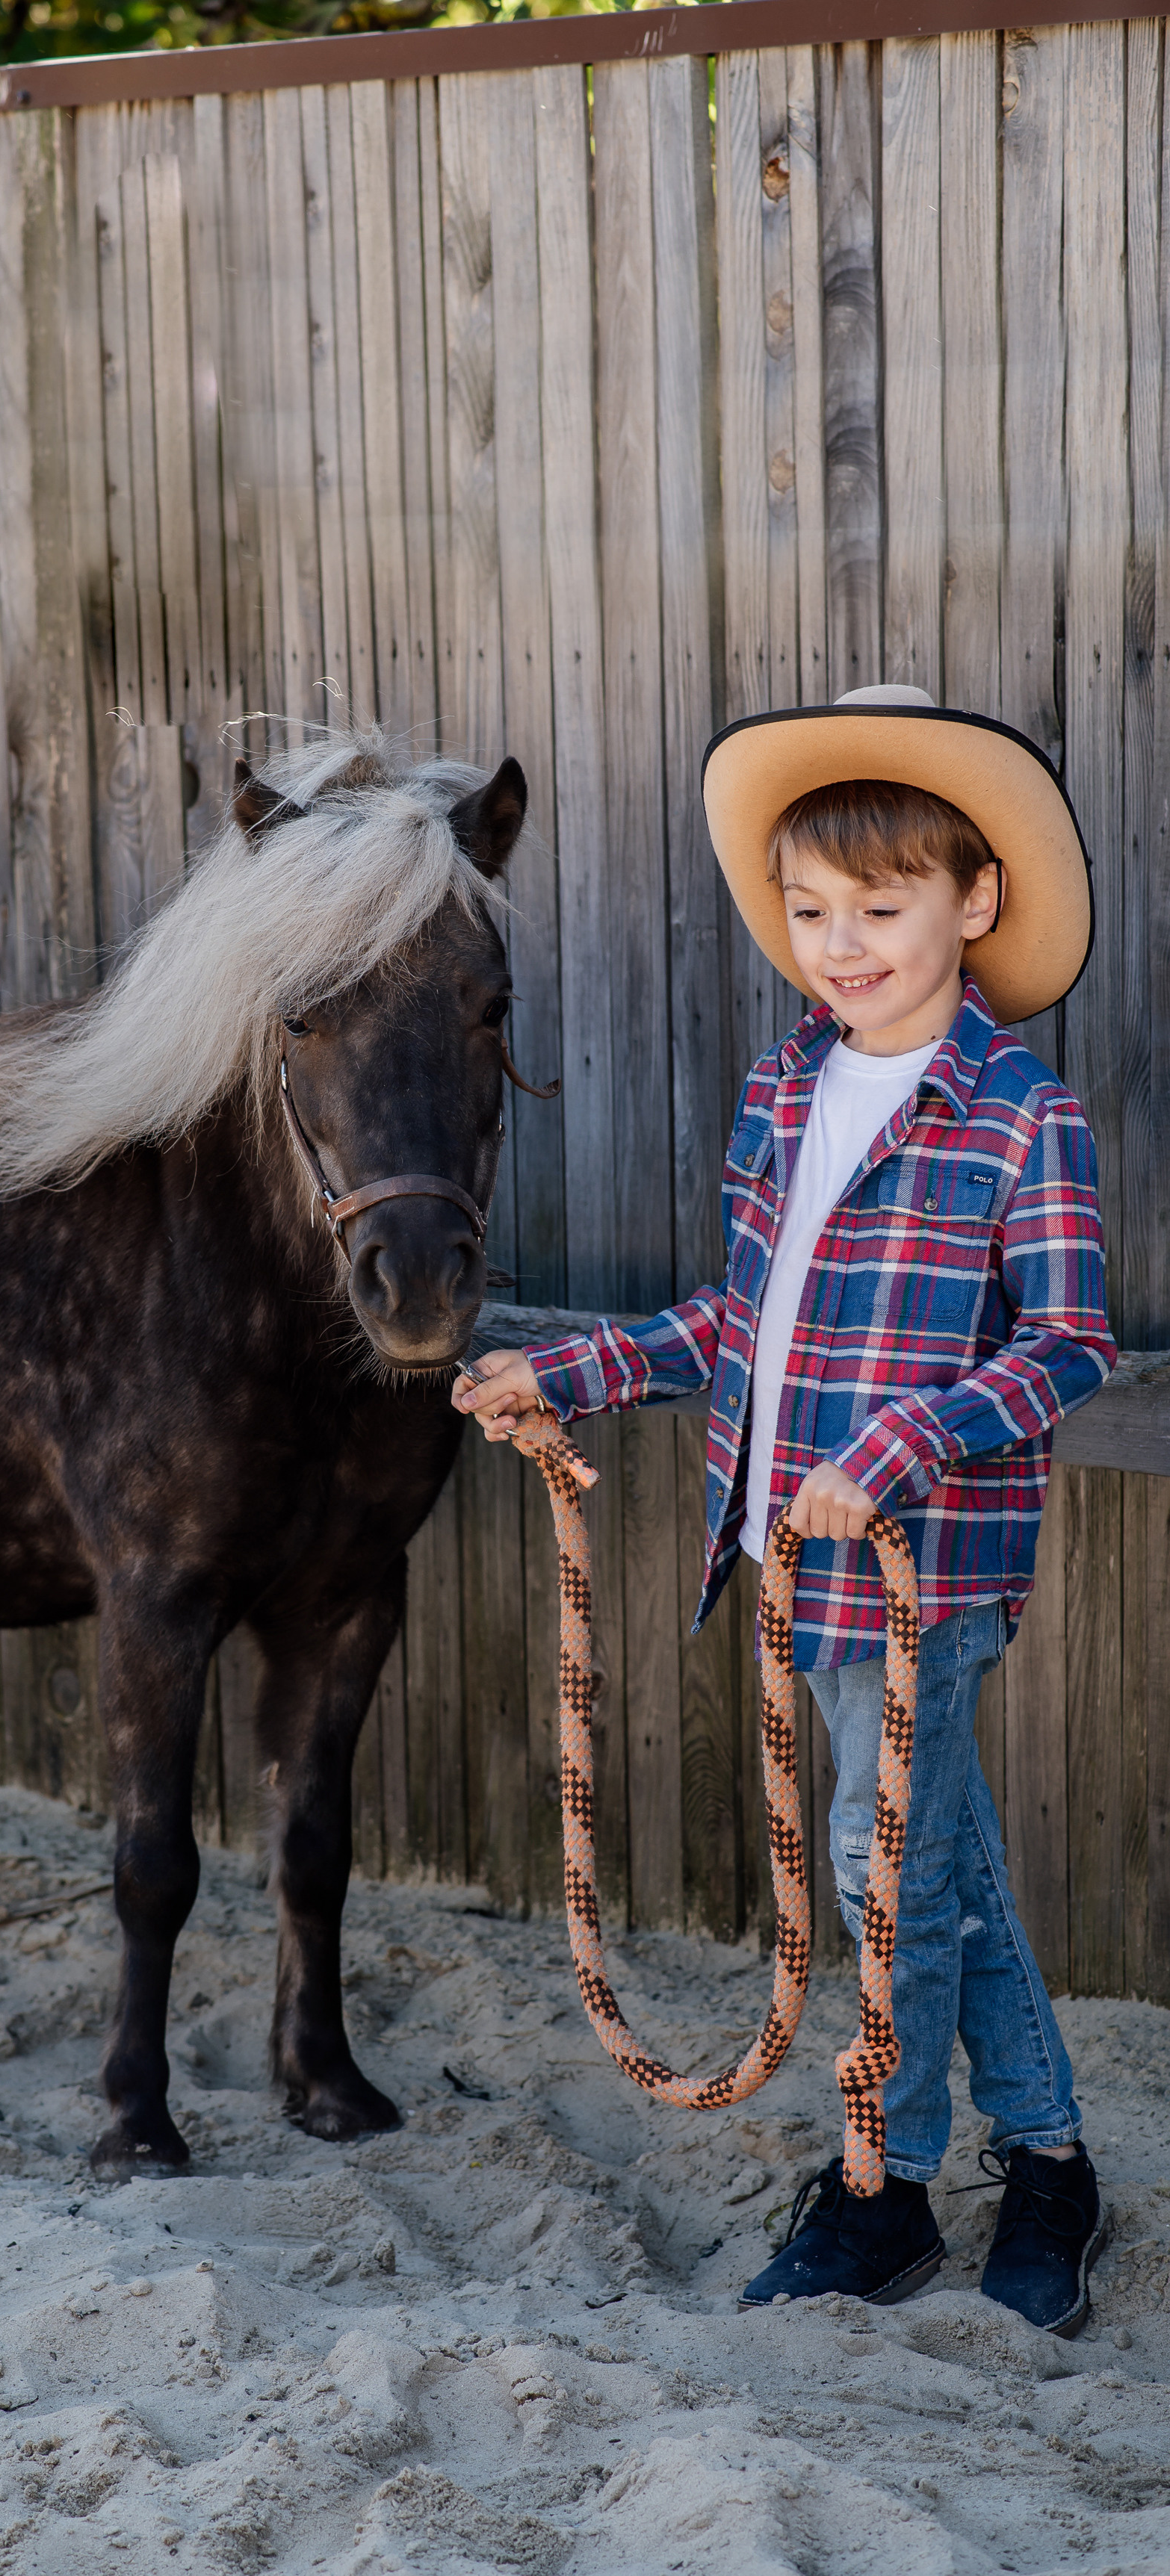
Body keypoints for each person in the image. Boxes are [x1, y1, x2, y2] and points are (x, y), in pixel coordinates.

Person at [456, 686, 1115, 2335]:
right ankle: (1049, 2160)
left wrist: (903, 1443)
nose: (839, 946)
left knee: (887, 1878)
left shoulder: (1020, 1113)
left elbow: (1069, 1343)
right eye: (809, 912)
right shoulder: (781, 1089)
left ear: (974, 901)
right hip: (782, 1558)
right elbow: (734, 1319)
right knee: (932, 1859)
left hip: (920, 1567)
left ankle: (885, 2187)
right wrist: (577, 1368)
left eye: (878, 909)